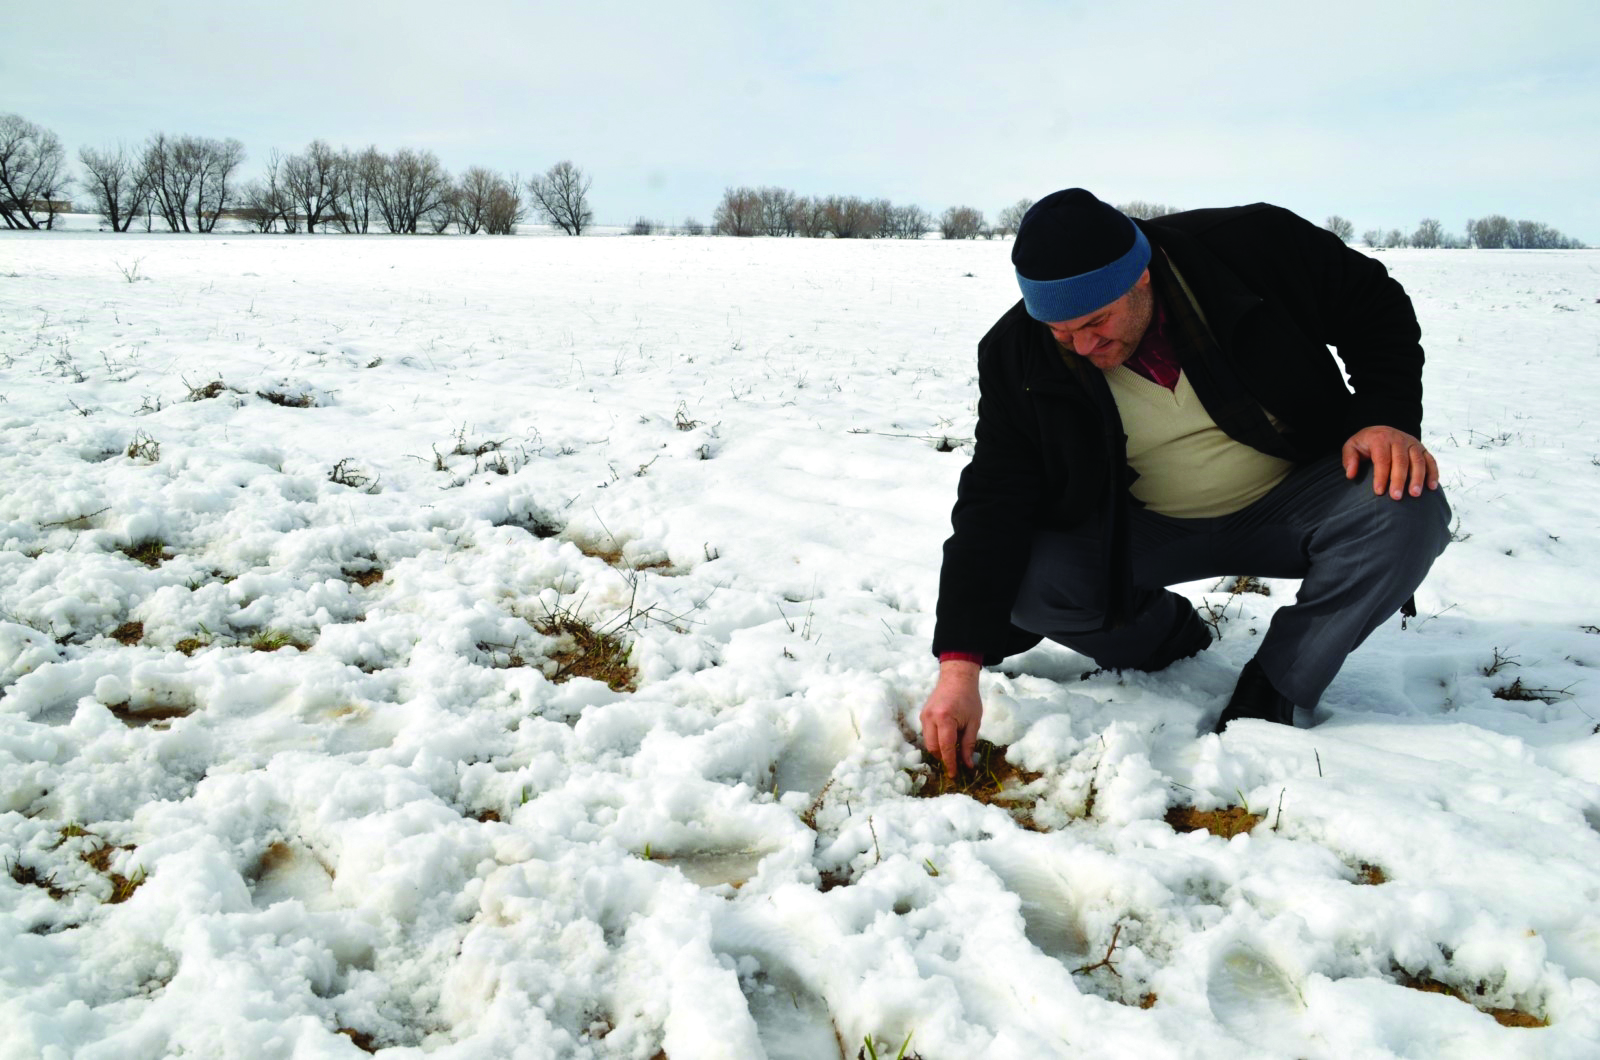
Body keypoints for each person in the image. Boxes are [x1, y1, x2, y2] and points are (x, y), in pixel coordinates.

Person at [920, 189, 1451, 776]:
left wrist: (1386, 416)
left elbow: (1375, 306)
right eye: (1062, 333)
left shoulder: (1253, 247)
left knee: (1405, 503)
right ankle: (1166, 640)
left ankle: (1276, 687)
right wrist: (959, 664)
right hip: (1144, 527)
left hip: (1298, 497)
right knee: (1033, 582)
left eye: (1097, 321)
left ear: (1142, 275)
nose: (1085, 347)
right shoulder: (1015, 353)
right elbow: (994, 498)